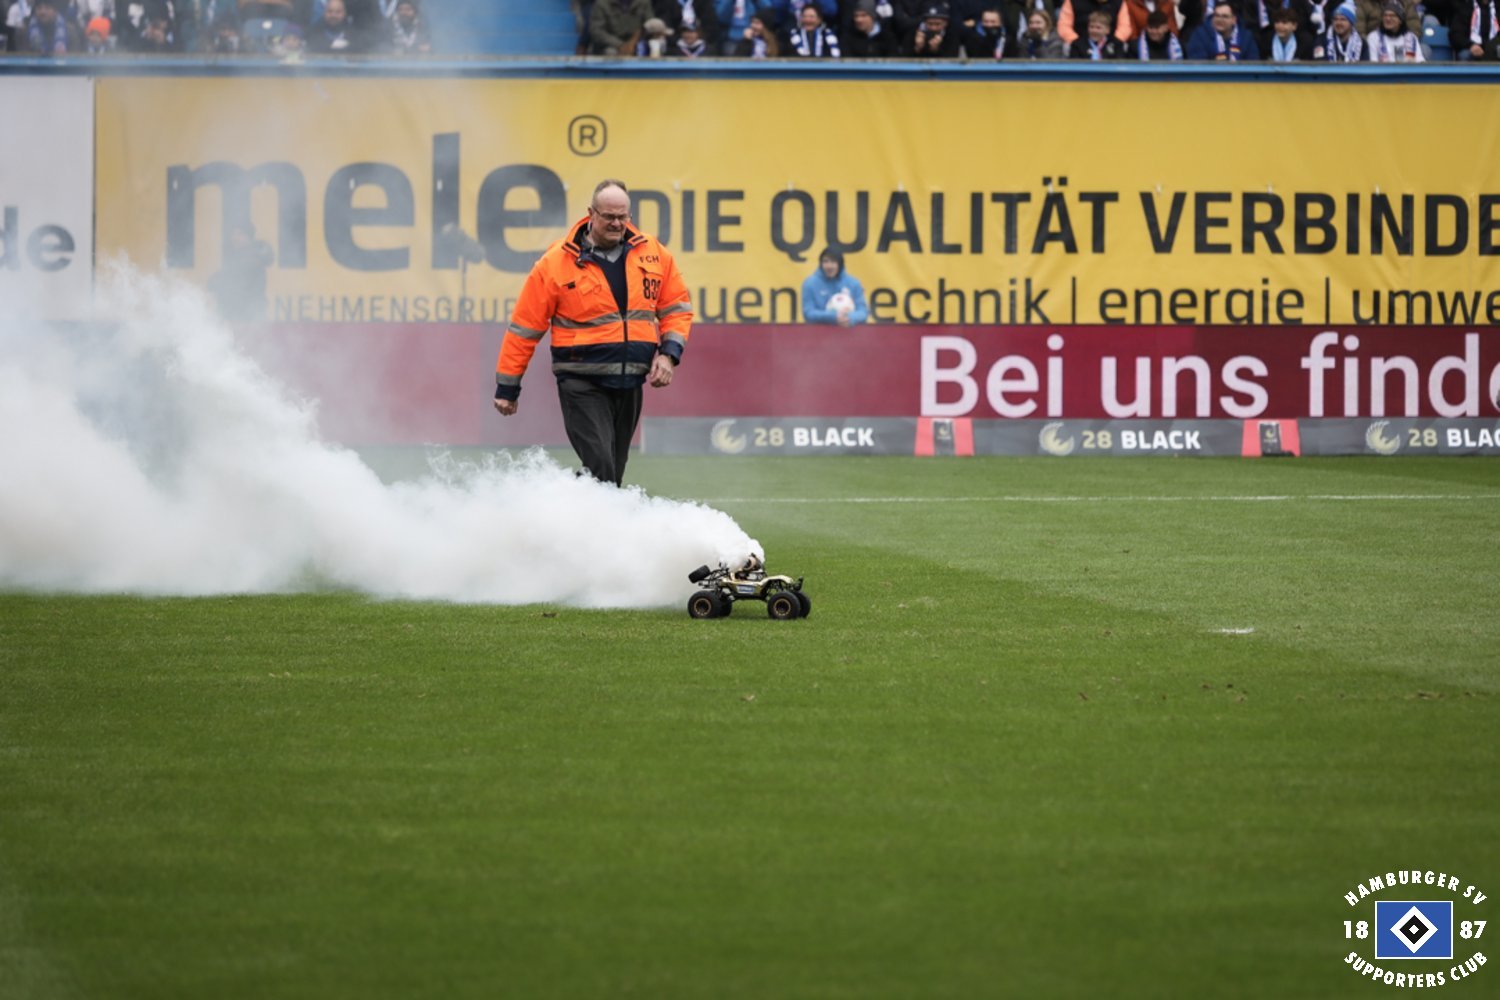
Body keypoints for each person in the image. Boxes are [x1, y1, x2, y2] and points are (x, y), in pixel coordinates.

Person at [493, 180, 692, 488]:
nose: (617, 223)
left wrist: (668, 355)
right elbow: (524, 328)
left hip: (630, 381)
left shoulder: (654, 253)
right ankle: (554, 502)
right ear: (591, 214)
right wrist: (507, 387)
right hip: (581, 381)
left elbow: (677, 309)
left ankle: (561, 506)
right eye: (609, 216)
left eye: (622, 216)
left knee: (611, 475)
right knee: (602, 468)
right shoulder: (555, 262)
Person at [207, 223, 274, 323]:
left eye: (240, 234)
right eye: (233, 234)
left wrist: (214, 281)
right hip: (245, 317)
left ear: (249, 237)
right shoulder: (242, 257)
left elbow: (227, 281)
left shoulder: (251, 260)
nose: (234, 238)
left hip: (246, 319)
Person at [801, 248, 868, 327]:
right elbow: (808, 313)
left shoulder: (854, 283)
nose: (829, 266)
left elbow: (863, 312)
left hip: (848, 332)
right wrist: (833, 316)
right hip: (819, 332)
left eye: (833, 262)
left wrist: (849, 317)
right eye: (825, 261)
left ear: (840, 264)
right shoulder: (810, 283)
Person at [1186, 0, 1260, 56]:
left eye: (1225, 16)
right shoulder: (1200, 35)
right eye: (1217, 16)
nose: (1220, 20)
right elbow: (1198, 65)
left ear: (1234, 20)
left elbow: (1253, 63)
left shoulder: (1246, 37)